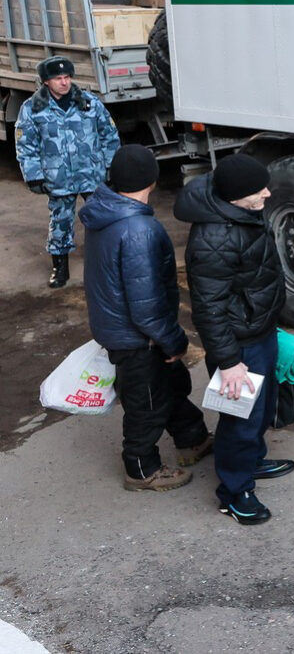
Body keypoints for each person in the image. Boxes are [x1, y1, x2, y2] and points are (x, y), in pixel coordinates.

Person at [80, 144, 213, 492]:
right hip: (139, 337)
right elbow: (146, 303)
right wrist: (173, 341)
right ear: (152, 181)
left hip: (120, 327)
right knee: (147, 405)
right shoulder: (139, 230)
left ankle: (192, 439)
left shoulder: (105, 213)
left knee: (168, 387)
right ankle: (141, 470)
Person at [174, 153, 293, 525]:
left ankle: (253, 460)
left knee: (262, 405)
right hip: (239, 345)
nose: (268, 194)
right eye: (259, 190)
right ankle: (234, 491)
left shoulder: (239, 211)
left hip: (258, 330)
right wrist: (228, 362)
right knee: (240, 417)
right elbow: (208, 309)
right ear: (236, 196)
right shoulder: (215, 239)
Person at [15, 55, 120, 288]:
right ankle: (60, 268)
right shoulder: (33, 109)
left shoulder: (90, 103)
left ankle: (108, 264)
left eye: (67, 77)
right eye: (57, 78)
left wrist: (112, 165)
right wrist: (33, 176)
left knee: (103, 219)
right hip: (58, 178)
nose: (64, 82)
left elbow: (109, 135)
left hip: (92, 174)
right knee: (60, 222)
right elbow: (26, 146)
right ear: (45, 82)